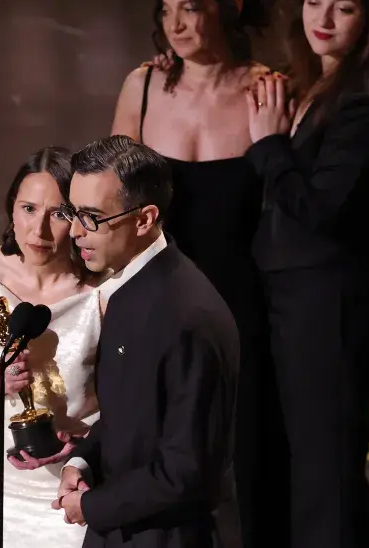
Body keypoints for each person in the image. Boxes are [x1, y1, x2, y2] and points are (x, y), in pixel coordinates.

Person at [109, 0, 287, 547]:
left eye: (191, 8)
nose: (176, 24)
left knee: (241, 466)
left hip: (240, 308)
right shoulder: (146, 84)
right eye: (167, 10)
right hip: (155, 304)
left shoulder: (268, 92)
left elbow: (288, 202)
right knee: (150, 457)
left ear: (231, 9)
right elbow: (112, 203)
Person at [243, 0, 369, 548]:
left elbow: (318, 211)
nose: (324, 19)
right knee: (300, 472)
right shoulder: (320, 79)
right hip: (291, 298)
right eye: (314, 1)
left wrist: (268, 147)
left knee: (327, 481)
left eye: (343, 8)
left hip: (326, 308)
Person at [52, 135, 240, 548]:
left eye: (92, 217)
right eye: (72, 212)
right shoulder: (129, 285)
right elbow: (132, 415)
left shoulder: (187, 318)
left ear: (144, 218)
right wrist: (83, 460)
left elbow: (187, 469)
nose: (76, 232)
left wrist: (92, 507)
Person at [0, 146, 105, 548]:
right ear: (11, 210)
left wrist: (87, 447)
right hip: (2, 484)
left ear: (77, 219)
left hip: (75, 480)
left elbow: (126, 395)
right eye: (28, 209)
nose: (39, 230)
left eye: (57, 213)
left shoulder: (102, 290)